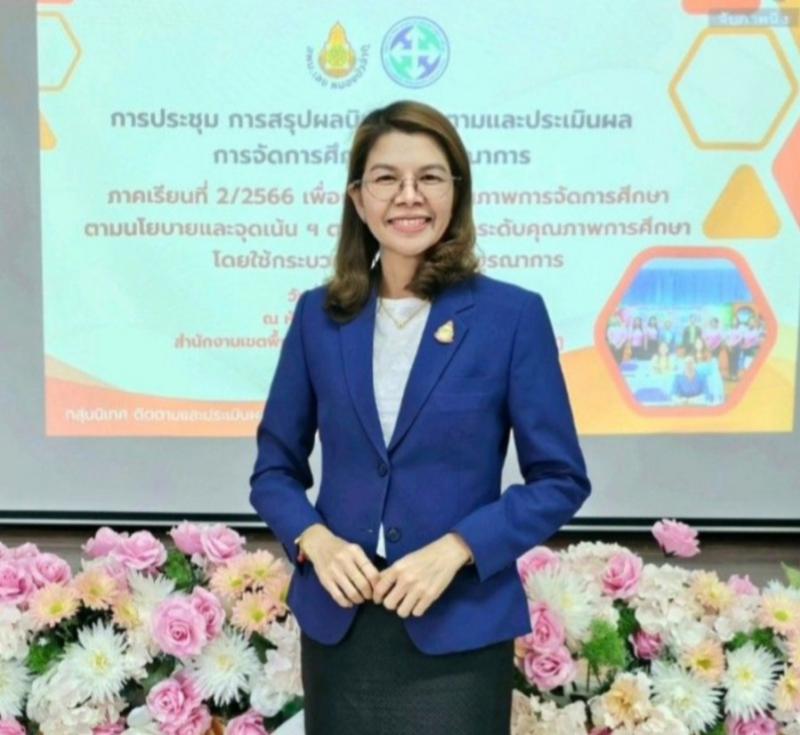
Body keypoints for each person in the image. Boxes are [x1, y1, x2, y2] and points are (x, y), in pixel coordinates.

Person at [248, 101, 590, 735]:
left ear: (456, 193)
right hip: (341, 628)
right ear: (358, 198)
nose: (409, 196)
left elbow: (560, 479)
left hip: (458, 628)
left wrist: (459, 549)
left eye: (430, 177)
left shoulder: (512, 317)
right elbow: (273, 470)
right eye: (387, 178)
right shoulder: (318, 317)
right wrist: (315, 541)